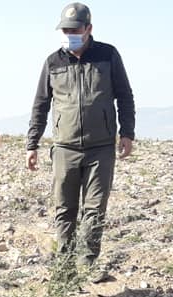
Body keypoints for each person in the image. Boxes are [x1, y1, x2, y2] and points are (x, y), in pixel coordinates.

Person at [25, 2, 135, 282]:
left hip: (101, 147)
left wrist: (127, 133)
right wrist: (32, 143)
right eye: (65, 29)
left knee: (95, 208)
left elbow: (124, 95)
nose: (69, 34)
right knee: (65, 208)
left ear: (88, 29)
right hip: (65, 147)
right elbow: (41, 103)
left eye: (75, 29)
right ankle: (65, 266)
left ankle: (87, 264)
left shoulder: (108, 55)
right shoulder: (53, 62)